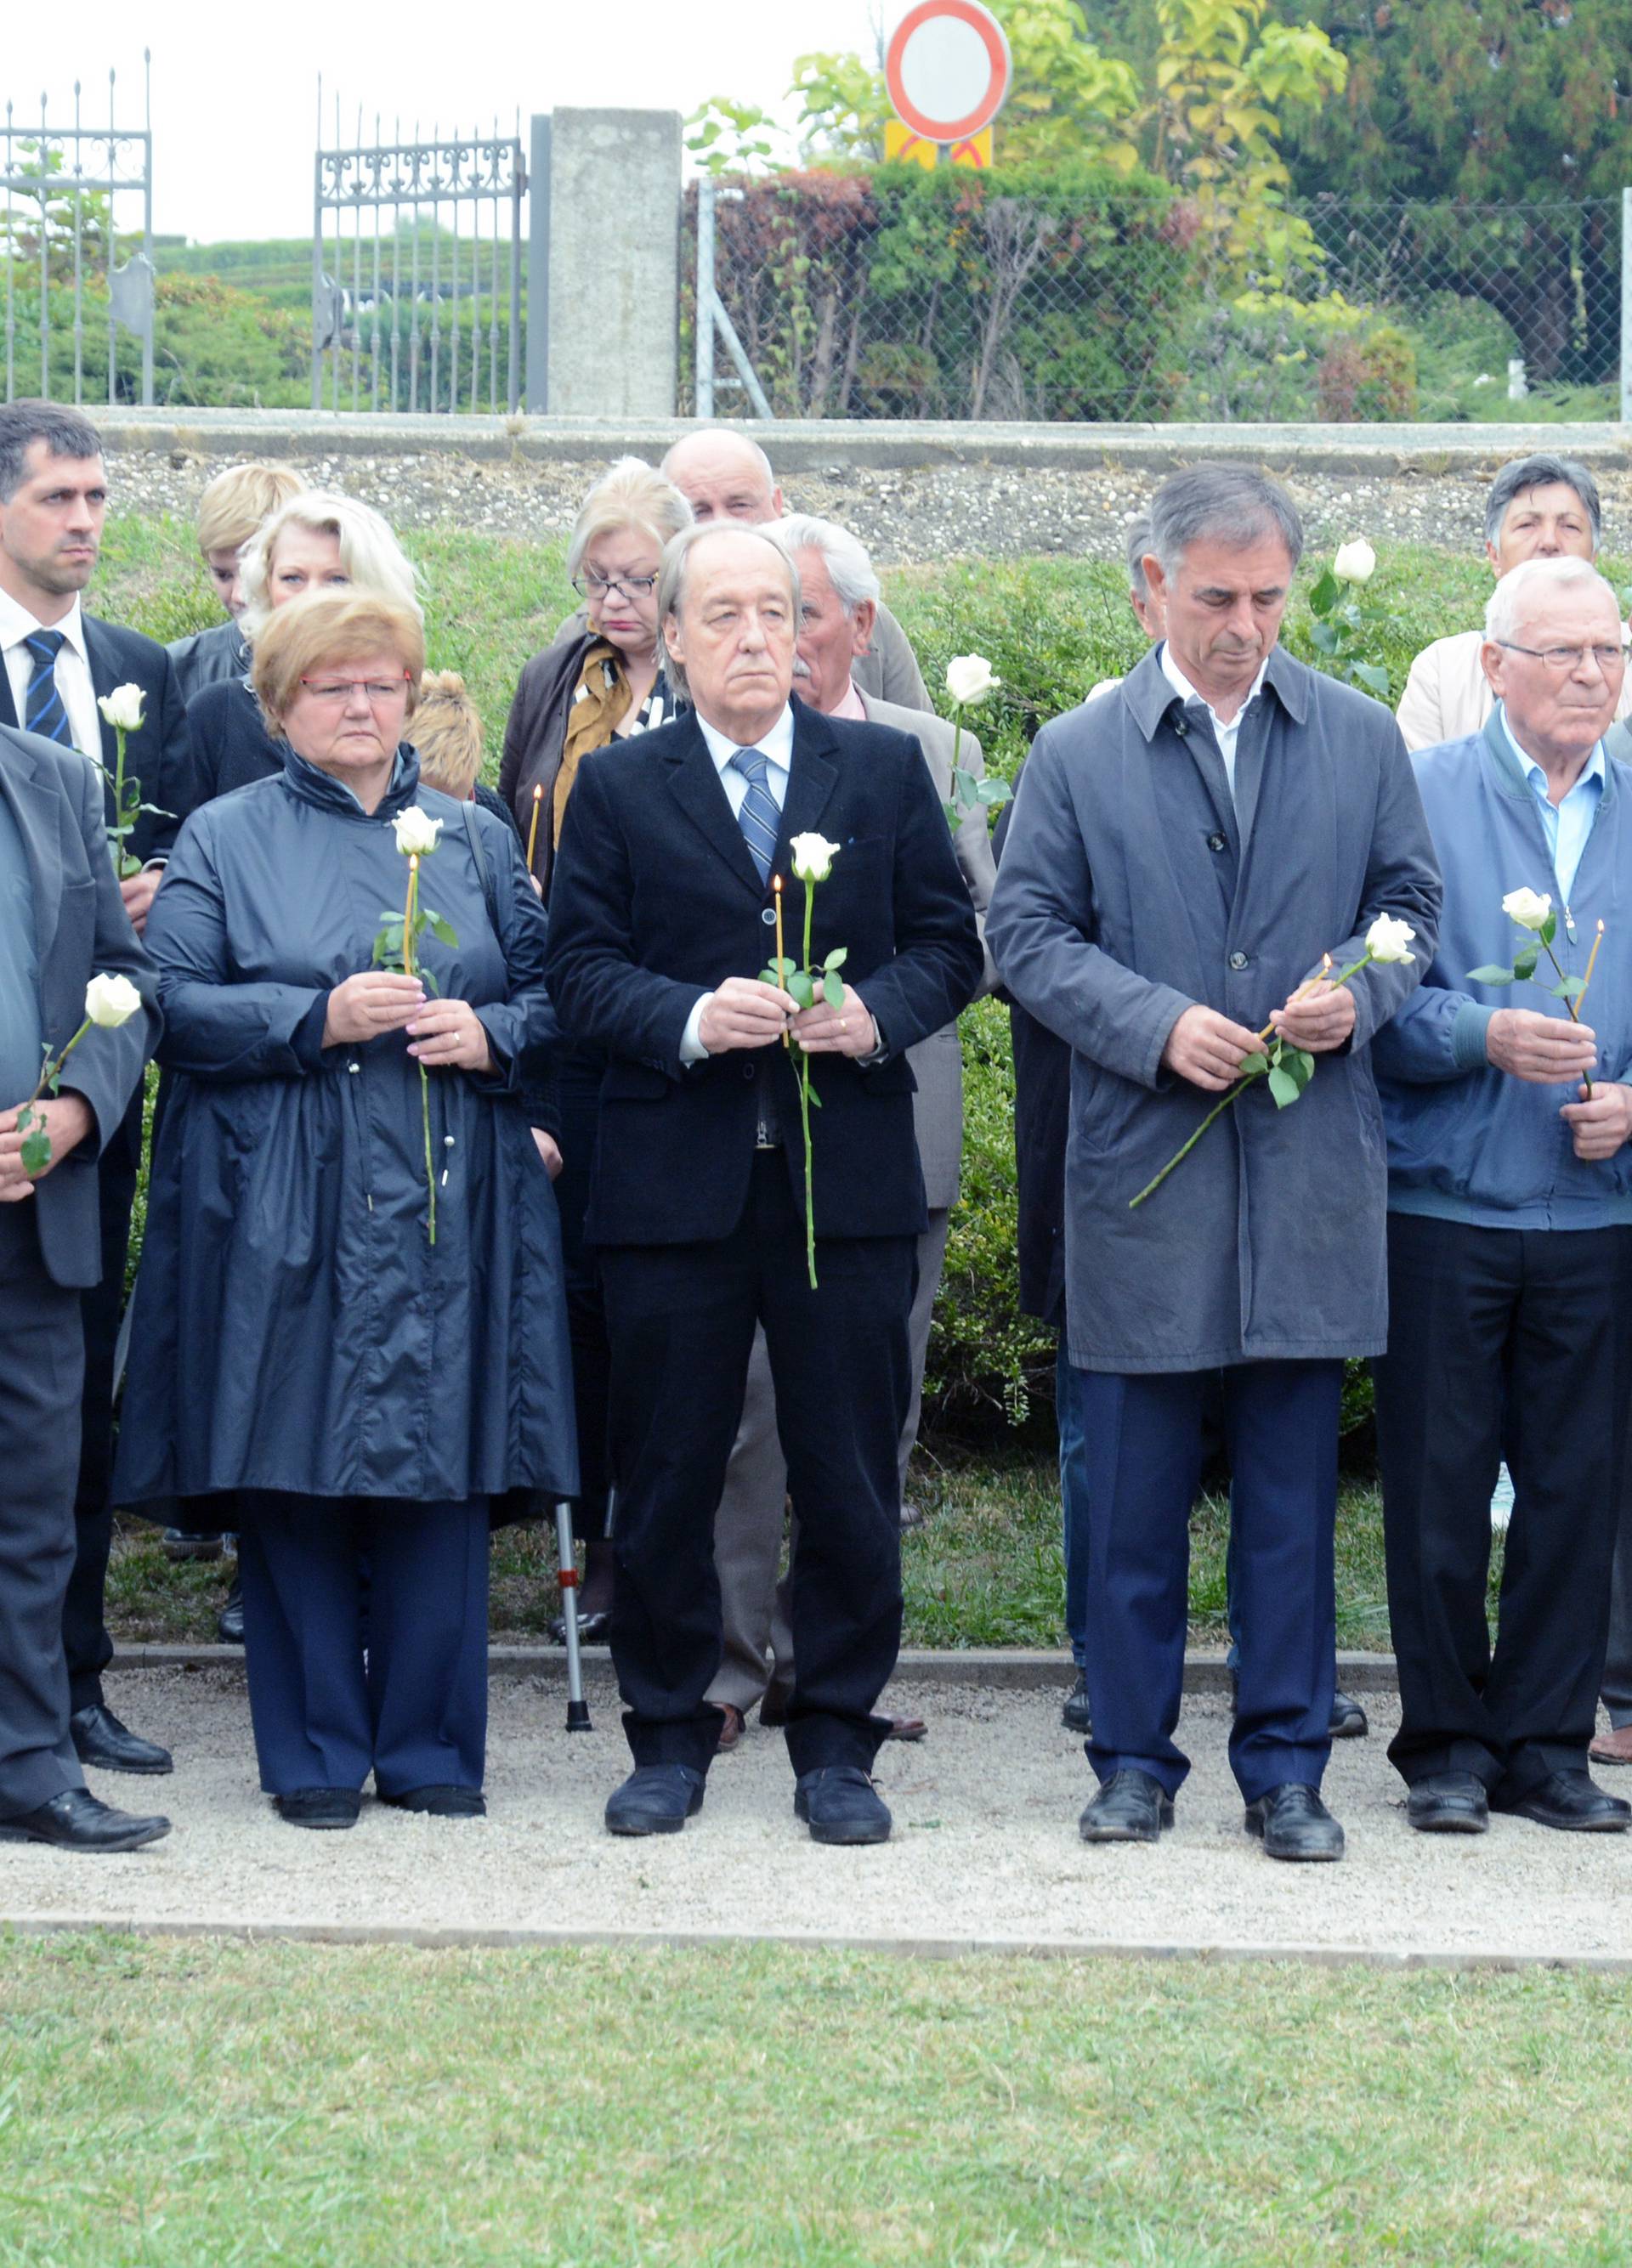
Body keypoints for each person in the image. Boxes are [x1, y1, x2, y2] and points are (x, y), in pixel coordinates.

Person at [988, 464, 1440, 1862]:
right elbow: (1026, 935)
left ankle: (1287, 1768)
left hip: (1305, 1181)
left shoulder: (1362, 740)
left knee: (1293, 1513)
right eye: (1215, 597)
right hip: (1143, 1181)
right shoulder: (1074, 751)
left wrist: (1355, 1000)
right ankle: (1130, 1757)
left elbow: (1413, 913)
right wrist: (1156, 1022)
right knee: (1128, 1508)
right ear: (1149, 589)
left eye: (1266, 597)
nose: (1245, 624)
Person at [544, 520, 983, 1844]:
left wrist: (874, 1017)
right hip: (674, 1187)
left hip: (842, 1176)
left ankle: (837, 1738)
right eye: (721, 615)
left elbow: (951, 946)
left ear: (810, 635)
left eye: (775, 615)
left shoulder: (882, 769)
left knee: (849, 1469)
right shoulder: (621, 789)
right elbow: (578, 972)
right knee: (668, 1468)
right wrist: (691, 1017)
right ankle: (668, 1731)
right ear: (669, 636)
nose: (752, 637)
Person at [112, 591, 576, 1828]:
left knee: (444, 1465)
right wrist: (317, 1017)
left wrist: (489, 1033)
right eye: (332, 687)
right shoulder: (222, 835)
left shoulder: (471, 840)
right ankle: (314, 1749)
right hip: (282, 1195)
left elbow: (550, 1000)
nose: (362, 706)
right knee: (295, 1462)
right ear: (279, 708)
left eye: (382, 684)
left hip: (453, 1197)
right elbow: (174, 1008)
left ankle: (430, 1747)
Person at [705, 513, 997, 1749]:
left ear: (861, 629)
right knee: (739, 1421)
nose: (779, 641)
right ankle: (729, 1669)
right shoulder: (690, 757)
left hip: (886, 1134)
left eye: (802, 613)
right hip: (728, 1145)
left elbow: (975, 933)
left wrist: (867, 1009)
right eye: (751, 613)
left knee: (868, 1421)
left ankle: (837, 1672)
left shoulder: (936, 751)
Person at [1371, 555, 1632, 1835]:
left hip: (1599, 1211)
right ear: (1493, 668)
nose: (1593, 674)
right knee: (1435, 1487)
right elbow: (1372, 1000)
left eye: (1611, 651)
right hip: (1448, 1203)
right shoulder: (1418, 798)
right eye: (1565, 652)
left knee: (1578, 1494)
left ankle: (1546, 1744)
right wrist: (1482, 1036)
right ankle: (1446, 1747)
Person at [0, 397, 192, 1781]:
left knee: (58, 1446)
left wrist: (75, 1106)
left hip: (68, 1153)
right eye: (57, 495)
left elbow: (126, 961)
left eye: (98, 498)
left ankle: (60, 1701)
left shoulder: (118, 699)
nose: (84, 520)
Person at [499, 457, 693, 1640]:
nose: (613, 601)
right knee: (576, 1293)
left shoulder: (699, 683)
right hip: (566, 1025)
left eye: (635, 579)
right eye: (597, 577)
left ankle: (646, 1540)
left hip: (664, 1020)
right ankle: (587, 1536)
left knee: (650, 1297)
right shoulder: (554, 680)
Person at [0, 716, 168, 1852]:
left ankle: (25, 1768)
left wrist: (77, 1110)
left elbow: (125, 973)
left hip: (34, 1226)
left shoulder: (51, 779)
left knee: (32, 1515)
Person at [179, 489, 419, 812]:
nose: (312, 598)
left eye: (337, 580)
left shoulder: (407, 708)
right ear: (266, 587)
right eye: (293, 578)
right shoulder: (219, 716)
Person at [661, 428, 931, 713]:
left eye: (740, 505)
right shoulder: (635, 624)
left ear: (777, 505)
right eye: (697, 511)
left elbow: (923, 741)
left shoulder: (855, 614)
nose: (722, 524)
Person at [1396, 454, 1632, 753]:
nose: (1549, 541)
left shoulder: (1628, 658)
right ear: (1494, 555)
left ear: (1594, 556)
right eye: (1527, 525)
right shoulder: (1443, 671)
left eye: (1570, 526)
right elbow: (1417, 791)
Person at [166, 462, 309, 704]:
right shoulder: (175, 671)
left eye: (254, 574)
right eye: (223, 575)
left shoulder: (369, 668)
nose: (239, 596)